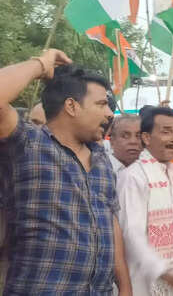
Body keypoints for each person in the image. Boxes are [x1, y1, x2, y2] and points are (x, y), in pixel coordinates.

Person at [0, 53, 131, 295]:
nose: (110, 113)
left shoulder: (102, 160)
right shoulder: (27, 143)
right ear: (71, 106)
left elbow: (110, 224)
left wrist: (124, 287)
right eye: (101, 104)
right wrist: (40, 64)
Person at [117, 106, 173, 296]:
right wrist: (164, 273)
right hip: (143, 285)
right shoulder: (133, 177)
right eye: (166, 132)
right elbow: (131, 235)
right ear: (146, 137)